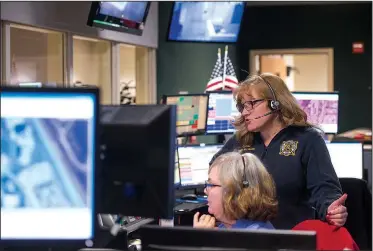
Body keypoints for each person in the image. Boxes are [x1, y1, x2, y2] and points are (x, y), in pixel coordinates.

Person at [209, 73, 348, 229]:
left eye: (252, 104)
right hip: (245, 234)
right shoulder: (241, 139)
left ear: (275, 104)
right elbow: (215, 173)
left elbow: (324, 188)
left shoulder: (307, 139)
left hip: (291, 236)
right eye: (242, 106)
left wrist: (331, 208)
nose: (245, 112)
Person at [193, 152, 278, 230]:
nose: (205, 190)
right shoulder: (226, 227)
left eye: (212, 185)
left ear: (234, 192)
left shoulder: (257, 238)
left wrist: (201, 239)